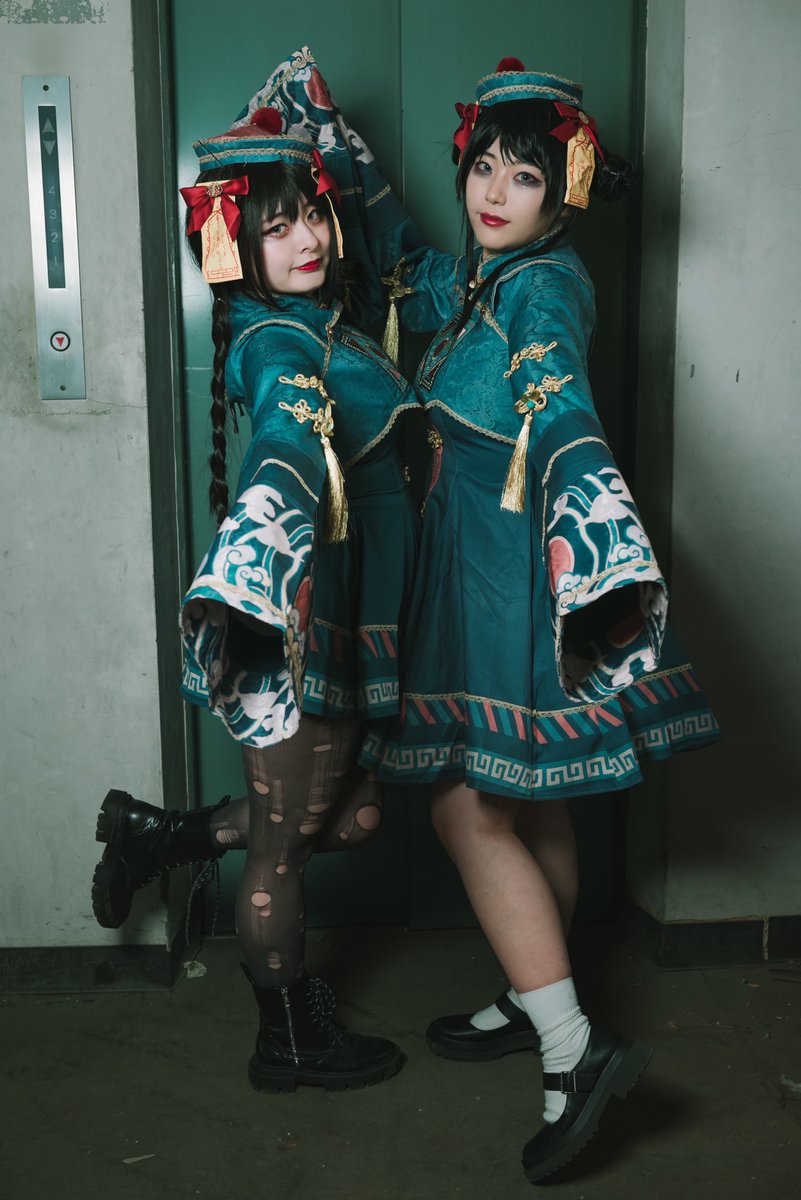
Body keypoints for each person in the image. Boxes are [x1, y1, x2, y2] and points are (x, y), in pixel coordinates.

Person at [269, 49, 720, 1180]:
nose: (495, 191)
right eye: (484, 166)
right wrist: (328, 142)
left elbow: (555, 390)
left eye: (526, 176)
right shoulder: (480, 273)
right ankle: (537, 994)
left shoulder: (540, 289)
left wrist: (589, 501)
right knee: (532, 802)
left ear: (564, 192)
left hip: (510, 568)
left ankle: (573, 1048)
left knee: (468, 814)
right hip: (477, 562)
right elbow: (403, 263)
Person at [90, 95, 420, 1094]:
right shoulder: (277, 345)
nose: (308, 238)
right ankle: (287, 1040)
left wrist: (307, 112)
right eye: (276, 228)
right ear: (237, 245)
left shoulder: (329, 324)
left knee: (351, 821)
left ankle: (160, 836)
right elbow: (284, 435)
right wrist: (262, 525)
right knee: (282, 853)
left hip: (359, 620)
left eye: (312, 214)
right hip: (304, 625)